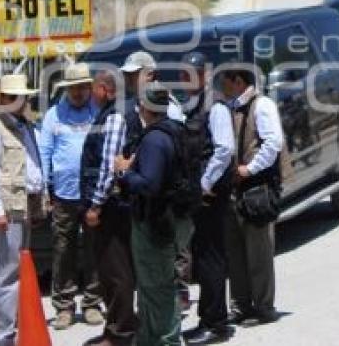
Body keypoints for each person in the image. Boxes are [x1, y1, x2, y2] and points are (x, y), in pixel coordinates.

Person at [114, 82, 192, 346]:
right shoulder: (175, 130)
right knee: (149, 287)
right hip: (169, 220)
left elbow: (150, 184)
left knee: (158, 287)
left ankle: (168, 340)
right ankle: (148, 339)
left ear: (146, 107)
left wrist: (124, 172)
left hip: (156, 225)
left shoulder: (155, 139)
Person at [0, 73, 46, 346]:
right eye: (13, 97)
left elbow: (32, 164)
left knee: (8, 269)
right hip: (6, 206)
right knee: (8, 271)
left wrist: (39, 201)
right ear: (3, 99)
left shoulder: (24, 126)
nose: (20, 101)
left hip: (23, 204)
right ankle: (5, 335)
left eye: (22, 96)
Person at [39, 62, 104, 330]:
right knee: (63, 250)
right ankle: (64, 306)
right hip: (63, 195)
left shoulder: (97, 113)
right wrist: (45, 189)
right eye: (74, 88)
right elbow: (44, 153)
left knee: (93, 249)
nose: (78, 93)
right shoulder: (54, 115)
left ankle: (91, 303)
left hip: (91, 195)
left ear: (89, 89)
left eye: (82, 88)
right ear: (66, 89)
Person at [220, 66, 283, 326]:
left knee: (259, 252)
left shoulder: (262, 105)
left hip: (257, 188)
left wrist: (250, 168)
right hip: (235, 190)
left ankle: (264, 306)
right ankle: (241, 306)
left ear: (237, 81)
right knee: (235, 253)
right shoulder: (230, 107)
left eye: (225, 82)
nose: (222, 87)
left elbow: (273, 143)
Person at [180, 53, 236, 345]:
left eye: (191, 73)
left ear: (204, 75)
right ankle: (207, 318)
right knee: (202, 257)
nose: (184, 79)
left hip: (212, 193)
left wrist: (204, 184)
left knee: (211, 258)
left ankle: (217, 324)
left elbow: (224, 149)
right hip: (199, 193)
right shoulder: (193, 106)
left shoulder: (215, 107)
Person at [83, 70, 140, 346]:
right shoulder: (114, 112)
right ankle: (117, 327)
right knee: (112, 269)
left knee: (116, 271)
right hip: (114, 204)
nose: (91, 94)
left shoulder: (115, 116)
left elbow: (109, 168)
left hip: (112, 207)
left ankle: (121, 332)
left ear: (105, 89)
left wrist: (95, 205)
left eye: (94, 89)